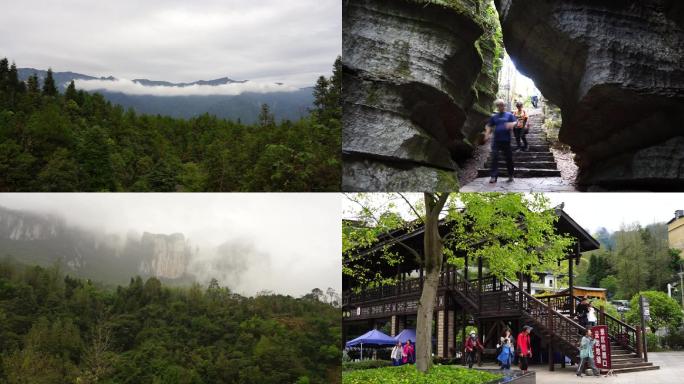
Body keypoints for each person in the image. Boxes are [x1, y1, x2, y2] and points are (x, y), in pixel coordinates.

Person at [485, 99, 517, 183]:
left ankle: (510, 175)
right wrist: (487, 134)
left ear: (504, 106)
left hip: (506, 141)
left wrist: (511, 124)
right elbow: (489, 125)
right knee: (494, 157)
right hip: (496, 141)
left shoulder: (509, 115)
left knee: (508, 158)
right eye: (499, 105)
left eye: (502, 105)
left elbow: (515, 122)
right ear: (497, 107)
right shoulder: (494, 116)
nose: (500, 106)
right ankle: (493, 176)